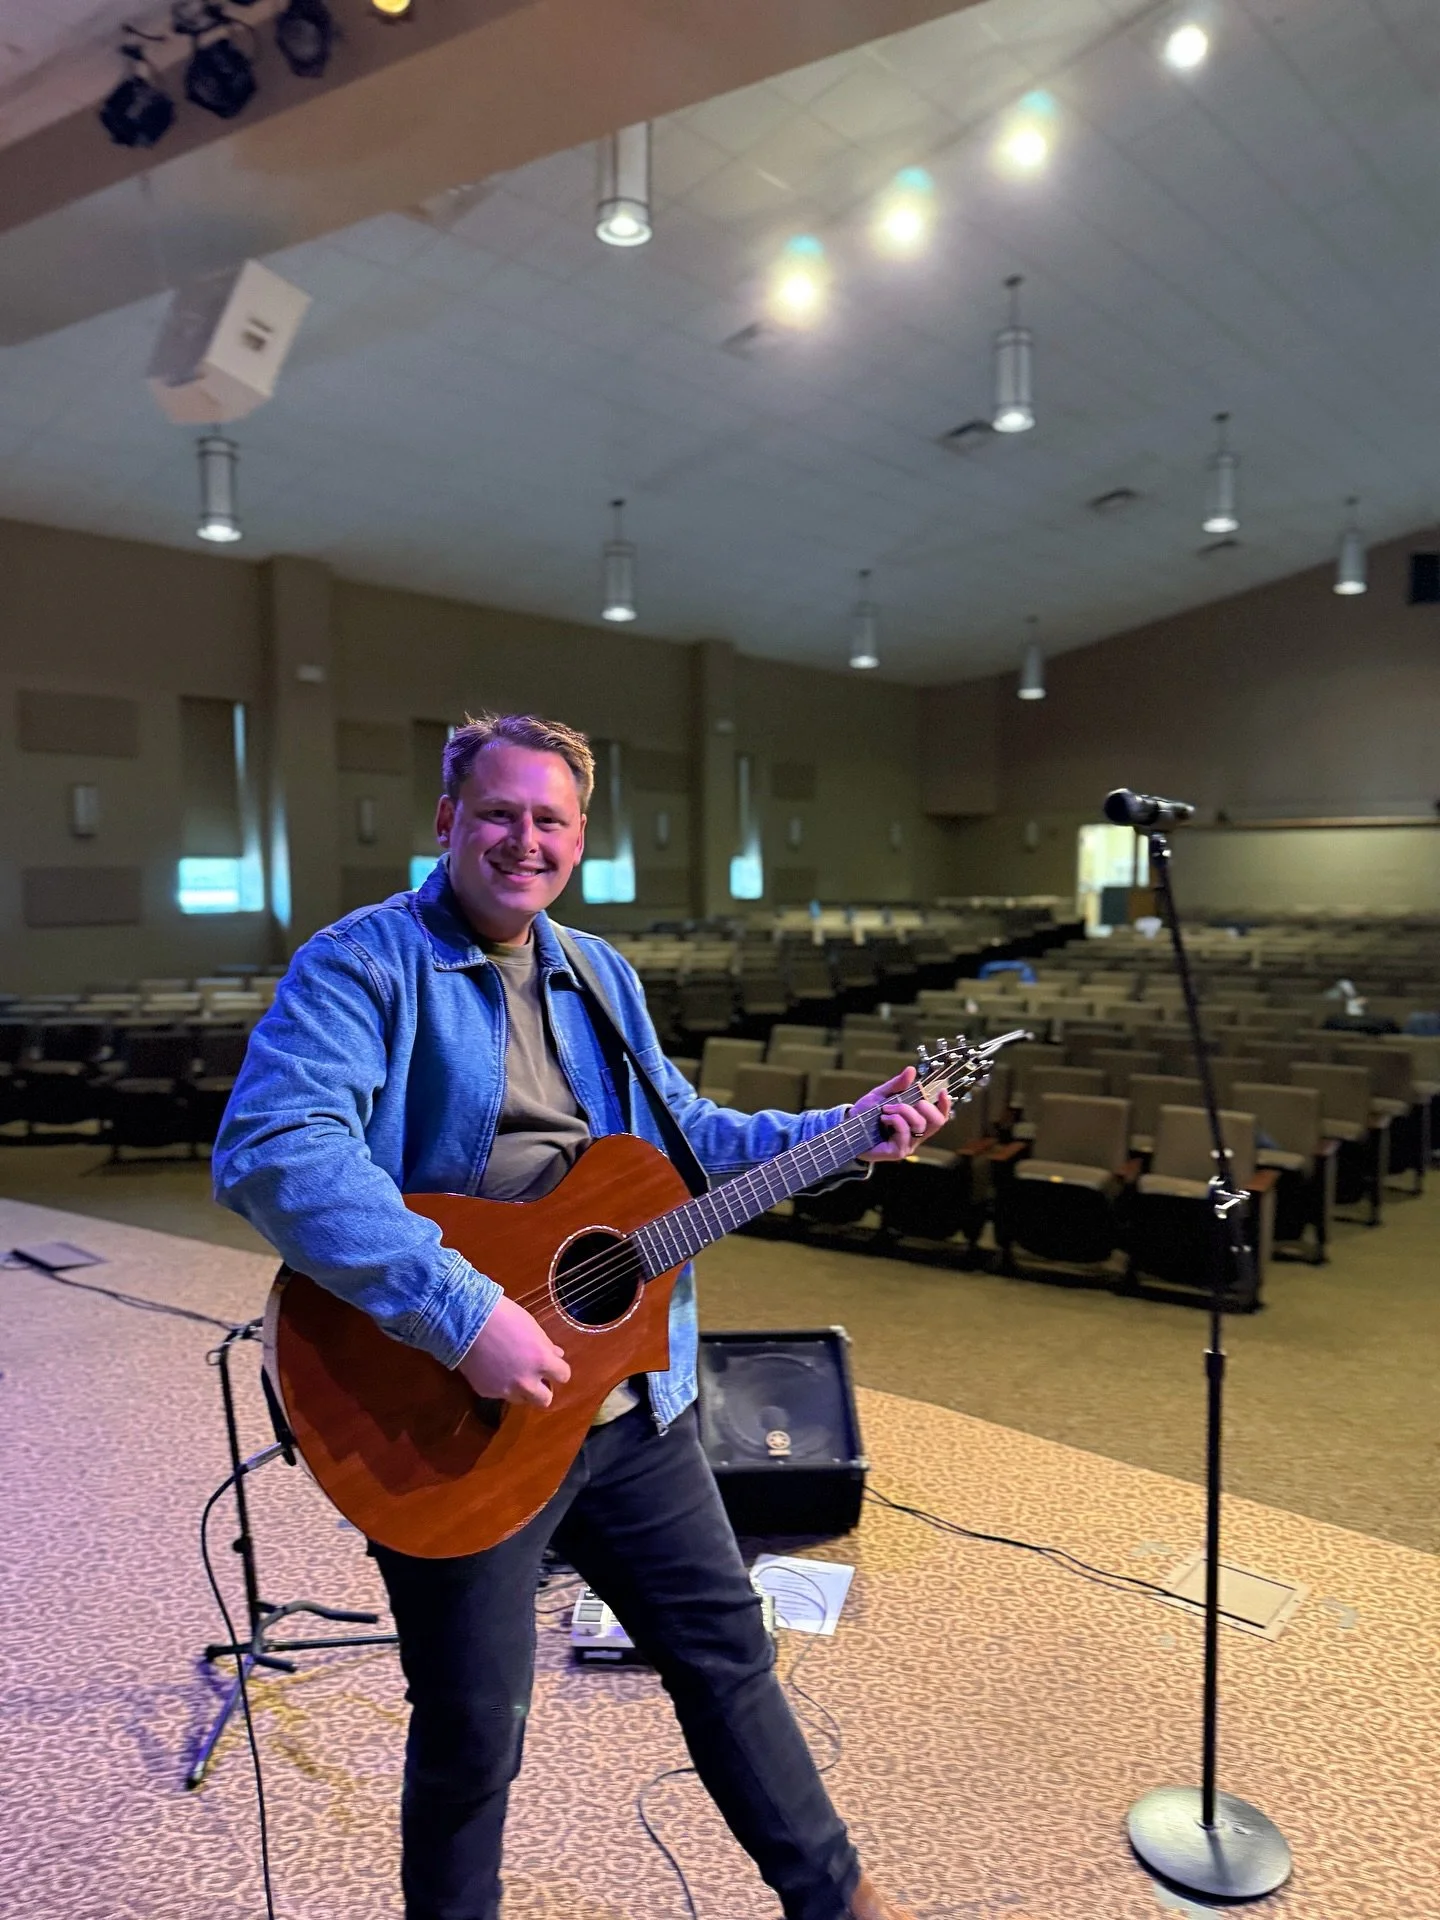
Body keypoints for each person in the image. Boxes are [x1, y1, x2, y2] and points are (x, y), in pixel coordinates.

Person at [213, 711, 951, 1920]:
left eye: (550, 819)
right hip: (451, 1411)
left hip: (630, 1404)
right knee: (473, 1734)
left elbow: (688, 1143)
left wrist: (842, 1136)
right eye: (498, 813)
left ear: (580, 838)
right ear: (447, 820)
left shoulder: (597, 973)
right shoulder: (362, 964)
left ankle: (839, 1901)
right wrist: (463, 1315)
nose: (524, 840)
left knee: (730, 1661)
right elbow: (276, 1148)